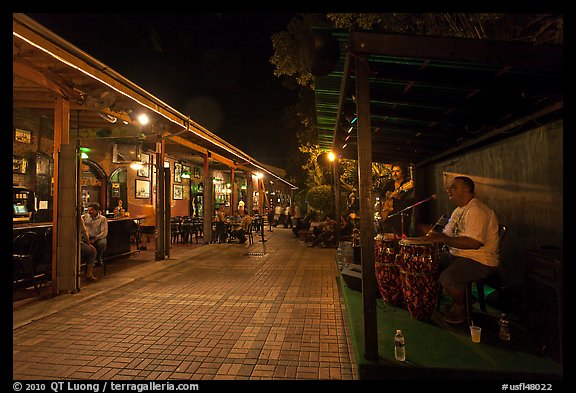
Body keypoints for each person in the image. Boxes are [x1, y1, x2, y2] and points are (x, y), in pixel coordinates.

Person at [426, 176, 500, 324]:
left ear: (466, 189)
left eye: (453, 187)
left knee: (448, 278)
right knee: (427, 263)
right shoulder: (458, 211)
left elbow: (474, 243)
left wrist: (443, 239)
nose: (449, 190)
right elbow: (446, 235)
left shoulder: (477, 210)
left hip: (480, 259)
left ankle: (462, 305)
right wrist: (431, 236)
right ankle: (456, 298)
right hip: (458, 255)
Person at [379, 163, 414, 236]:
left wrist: (399, 197)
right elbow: (381, 197)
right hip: (387, 216)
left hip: (401, 217)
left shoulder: (406, 185)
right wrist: (385, 201)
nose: (394, 173)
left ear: (403, 173)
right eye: (393, 171)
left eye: (397, 171)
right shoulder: (389, 184)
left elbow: (410, 199)